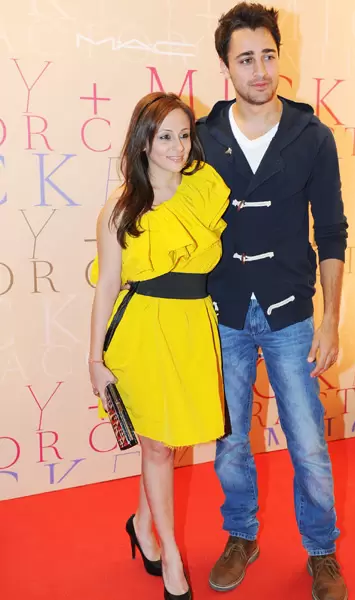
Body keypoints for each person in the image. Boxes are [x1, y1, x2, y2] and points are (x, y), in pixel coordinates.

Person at [196, 3, 349, 599]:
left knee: (308, 443)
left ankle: (321, 549)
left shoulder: (313, 137)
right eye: (245, 59)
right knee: (230, 439)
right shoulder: (202, 138)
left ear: (279, 57)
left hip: (290, 312)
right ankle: (241, 535)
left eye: (268, 56)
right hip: (224, 309)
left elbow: (331, 232)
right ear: (226, 67)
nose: (259, 71)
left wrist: (331, 320)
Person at [88, 91, 230, 600]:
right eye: (165, 136)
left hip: (192, 327)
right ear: (143, 141)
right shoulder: (121, 207)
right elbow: (108, 285)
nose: (177, 146)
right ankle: (170, 553)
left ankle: (140, 523)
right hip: (142, 332)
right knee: (157, 446)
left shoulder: (204, 188)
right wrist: (94, 358)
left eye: (184, 135)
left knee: (170, 443)